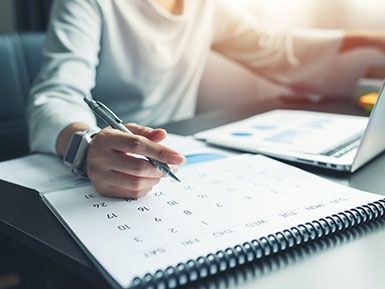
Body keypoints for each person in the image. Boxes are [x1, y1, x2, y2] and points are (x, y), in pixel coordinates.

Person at [28, 0, 385, 199]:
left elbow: (277, 48)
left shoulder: (205, 5)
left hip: (176, 156)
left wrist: (372, 38)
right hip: (101, 171)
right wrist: (88, 145)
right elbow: (56, 95)